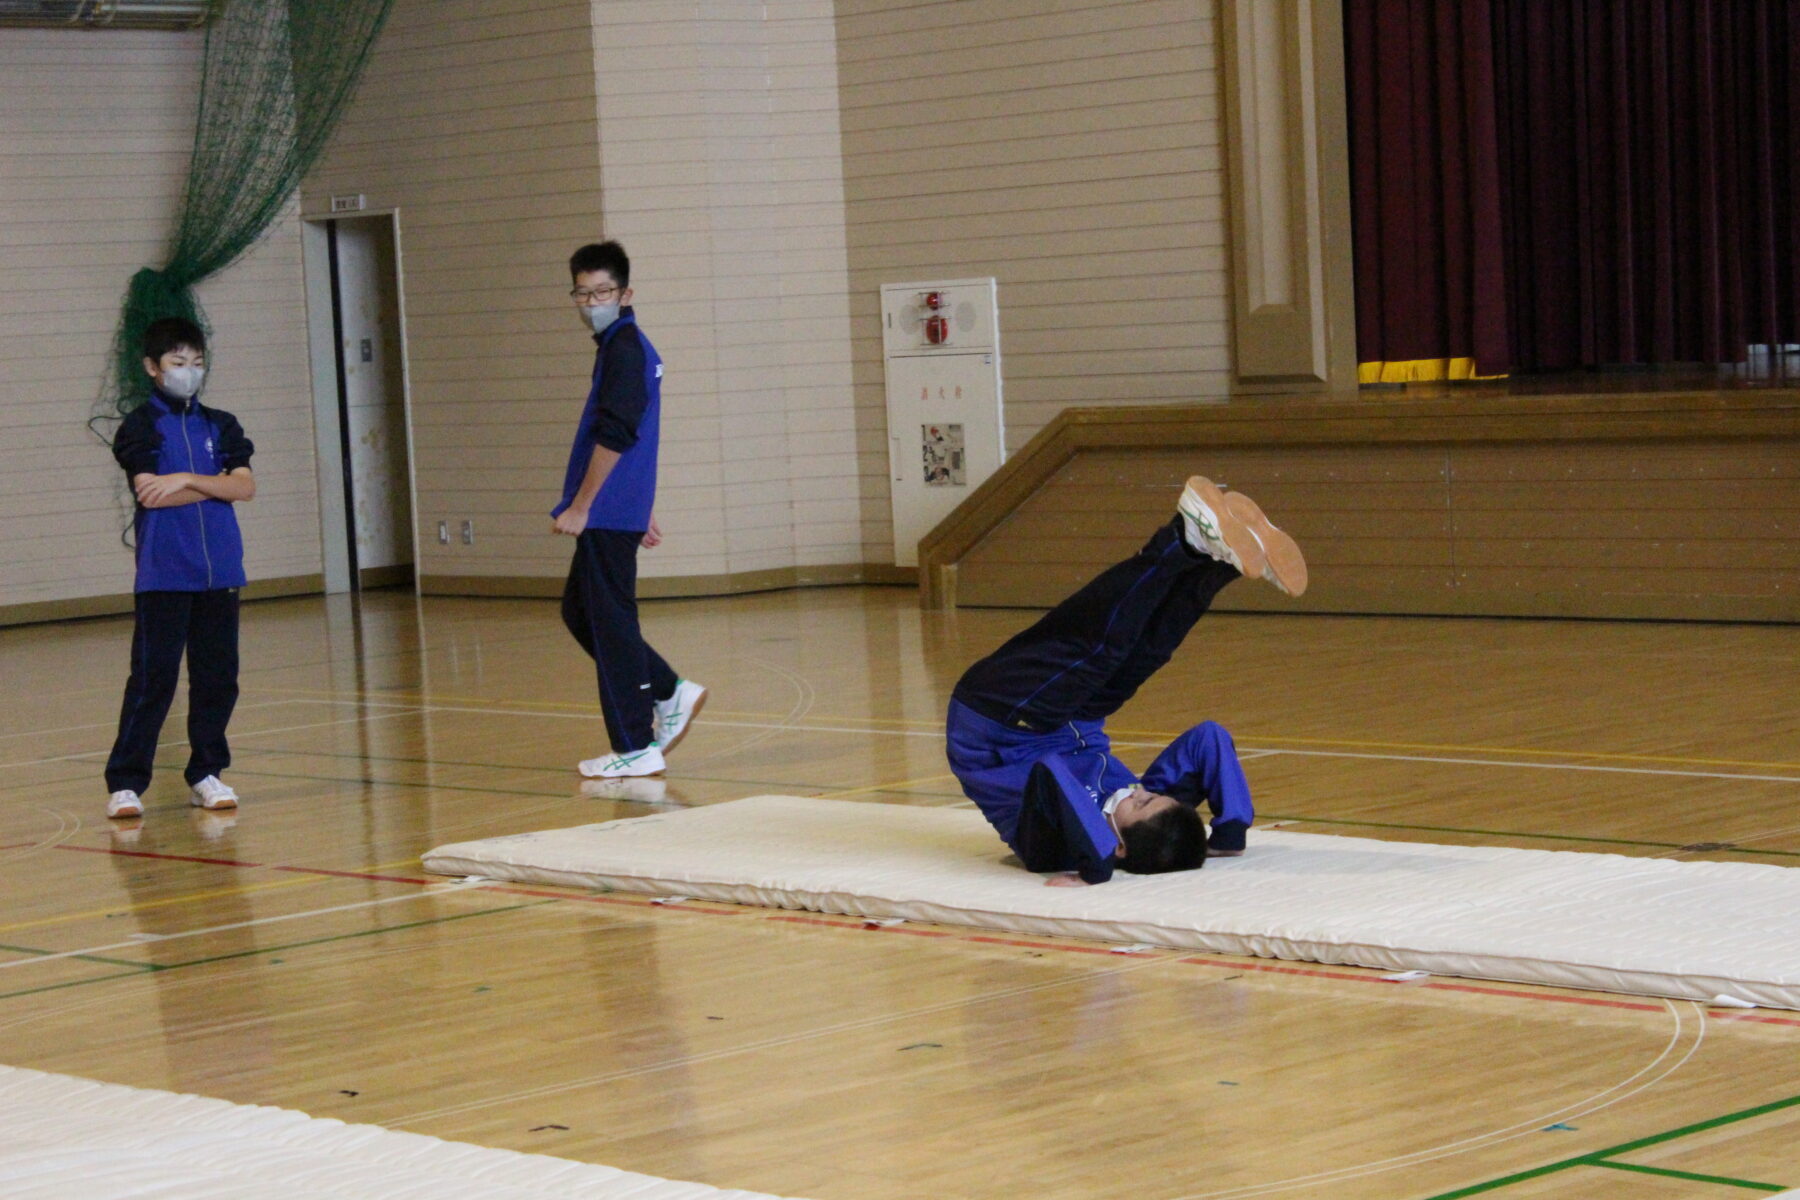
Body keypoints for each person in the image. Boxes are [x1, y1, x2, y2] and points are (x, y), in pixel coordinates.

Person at [944, 476, 1307, 885]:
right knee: (1148, 652)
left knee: (1101, 649)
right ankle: (1219, 562)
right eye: (1152, 794)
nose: (1139, 790)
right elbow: (1208, 738)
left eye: (1141, 801)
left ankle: (1182, 539)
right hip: (1076, 719)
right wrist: (1230, 830)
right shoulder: (1144, 819)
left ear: (1118, 846)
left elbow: (1049, 770)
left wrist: (1096, 865)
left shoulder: (1050, 848)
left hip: (997, 719)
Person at [553, 240, 705, 779]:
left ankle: (634, 743)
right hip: (620, 504)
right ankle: (669, 689)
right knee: (580, 612)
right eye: (584, 292)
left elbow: (618, 434)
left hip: (605, 508)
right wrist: (638, 503)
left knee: (610, 620)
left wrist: (584, 505)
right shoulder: (623, 346)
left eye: (603, 291)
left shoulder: (624, 348)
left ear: (625, 293)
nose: (592, 301)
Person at [103, 317, 257, 819]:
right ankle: (126, 782)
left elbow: (245, 487)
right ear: (153, 368)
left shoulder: (222, 424)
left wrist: (187, 478)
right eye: (176, 364)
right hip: (165, 573)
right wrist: (215, 481)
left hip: (221, 575)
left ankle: (207, 773)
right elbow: (151, 493)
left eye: (196, 363)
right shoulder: (140, 426)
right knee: (154, 678)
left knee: (218, 677)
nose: (188, 373)